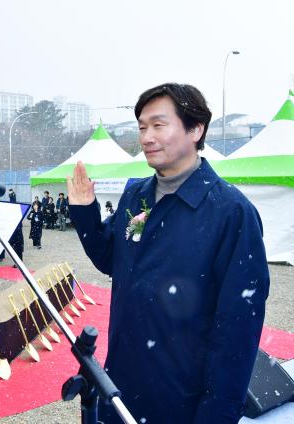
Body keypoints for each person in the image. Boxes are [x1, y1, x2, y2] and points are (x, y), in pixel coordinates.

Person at [66, 83, 269, 423]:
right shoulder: (136, 197)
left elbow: (237, 331)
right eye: (142, 127)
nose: (146, 136)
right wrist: (85, 212)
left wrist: (217, 413)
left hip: (180, 398)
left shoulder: (231, 213)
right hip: (121, 384)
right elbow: (111, 259)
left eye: (159, 125)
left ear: (195, 129)